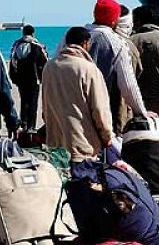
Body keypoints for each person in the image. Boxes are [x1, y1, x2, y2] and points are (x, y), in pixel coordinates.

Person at [41, 26, 114, 161]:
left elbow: (45, 106)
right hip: (82, 146)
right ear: (86, 43)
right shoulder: (88, 69)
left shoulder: (49, 66)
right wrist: (107, 137)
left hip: (55, 147)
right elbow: (99, 109)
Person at [83, 0, 147, 131]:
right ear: (114, 20)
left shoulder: (71, 36)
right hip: (101, 107)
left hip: (69, 107)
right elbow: (128, 85)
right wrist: (141, 112)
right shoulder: (115, 42)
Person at [9, 25, 48, 132]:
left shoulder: (16, 45)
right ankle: (31, 126)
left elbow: (12, 62)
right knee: (33, 103)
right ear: (33, 33)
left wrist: (14, 77)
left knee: (24, 101)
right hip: (34, 78)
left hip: (21, 78)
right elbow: (44, 61)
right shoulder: (37, 45)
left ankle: (24, 124)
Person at [112, 5, 143, 131]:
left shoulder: (91, 38)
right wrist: (141, 111)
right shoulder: (127, 45)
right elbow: (133, 78)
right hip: (122, 105)